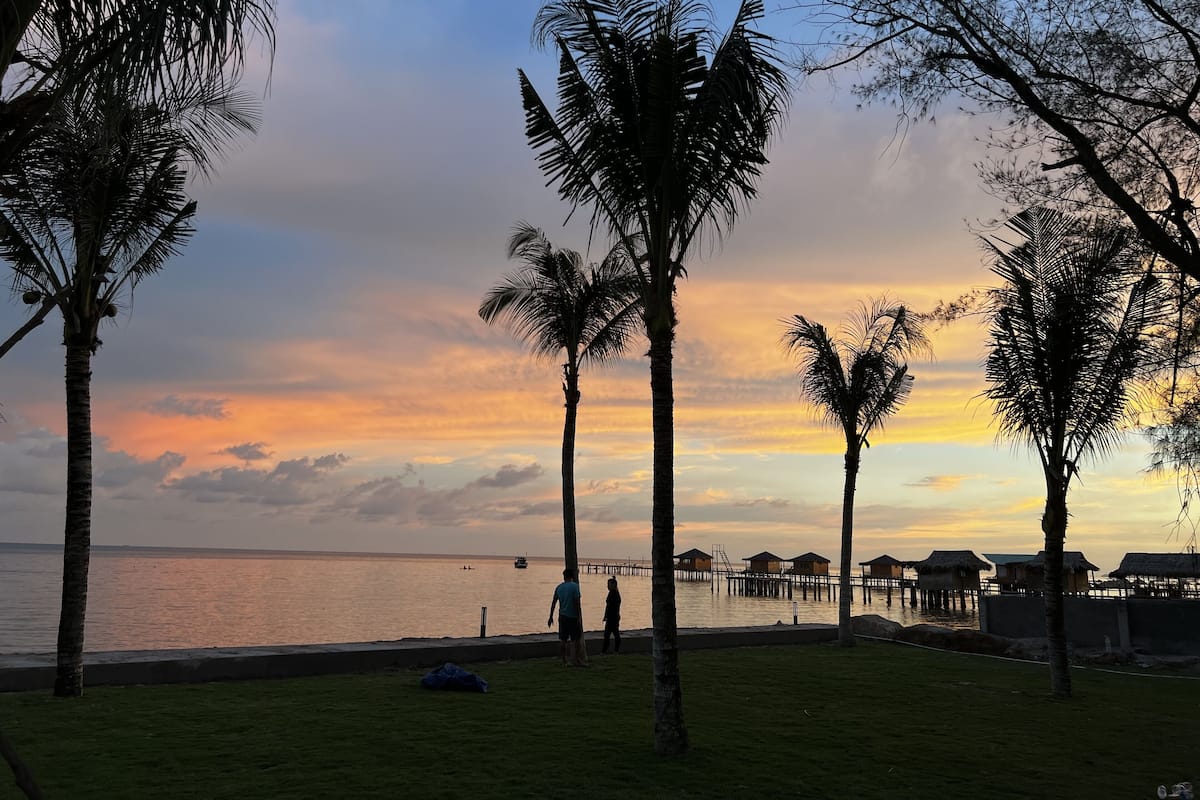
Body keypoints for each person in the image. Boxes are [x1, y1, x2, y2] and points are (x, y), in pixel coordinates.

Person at [548, 567, 584, 666]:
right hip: (572, 617)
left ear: (564, 576)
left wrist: (550, 616)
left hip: (562, 616)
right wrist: (579, 617)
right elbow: (577, 603)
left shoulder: (559, 587)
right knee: (576, 640)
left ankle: (564, 661)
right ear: (572, 576)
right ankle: (577, 660)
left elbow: (553, 603)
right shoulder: (575, 587)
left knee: (563, 640)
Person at [601, 576, 621, 654]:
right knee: (614, 633)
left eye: (609, 584)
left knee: (608, 634)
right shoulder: (614, 593)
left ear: (613, 585)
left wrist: (606, 616)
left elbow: (609, 606)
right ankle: (614, 650)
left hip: (613, 617)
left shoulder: (614, 594)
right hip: (613, 616)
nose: (607, 586)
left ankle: (605, 651)